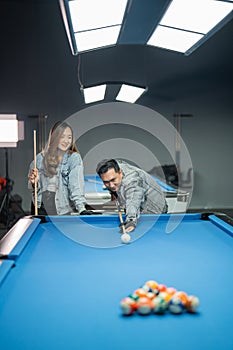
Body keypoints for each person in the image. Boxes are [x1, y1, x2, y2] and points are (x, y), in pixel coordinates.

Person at [28, 121, 93, 216]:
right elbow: (31, 187)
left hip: (62, 209)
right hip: (41, 207)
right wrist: (33, 183)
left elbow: (76, 185)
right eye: (62, 136)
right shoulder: (39, 158)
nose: (66, 141)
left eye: (69, 137)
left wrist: (81, 208)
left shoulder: (73, 158)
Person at [96, 159, 167, 232]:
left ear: (120, 172)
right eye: (106, 182)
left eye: (113, 180)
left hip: (155, 213)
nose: (111, 185)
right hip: (140, 210)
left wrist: (130, 220)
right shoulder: (115, 167)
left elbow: (133, 199)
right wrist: (113, 192)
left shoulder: (132, 180)